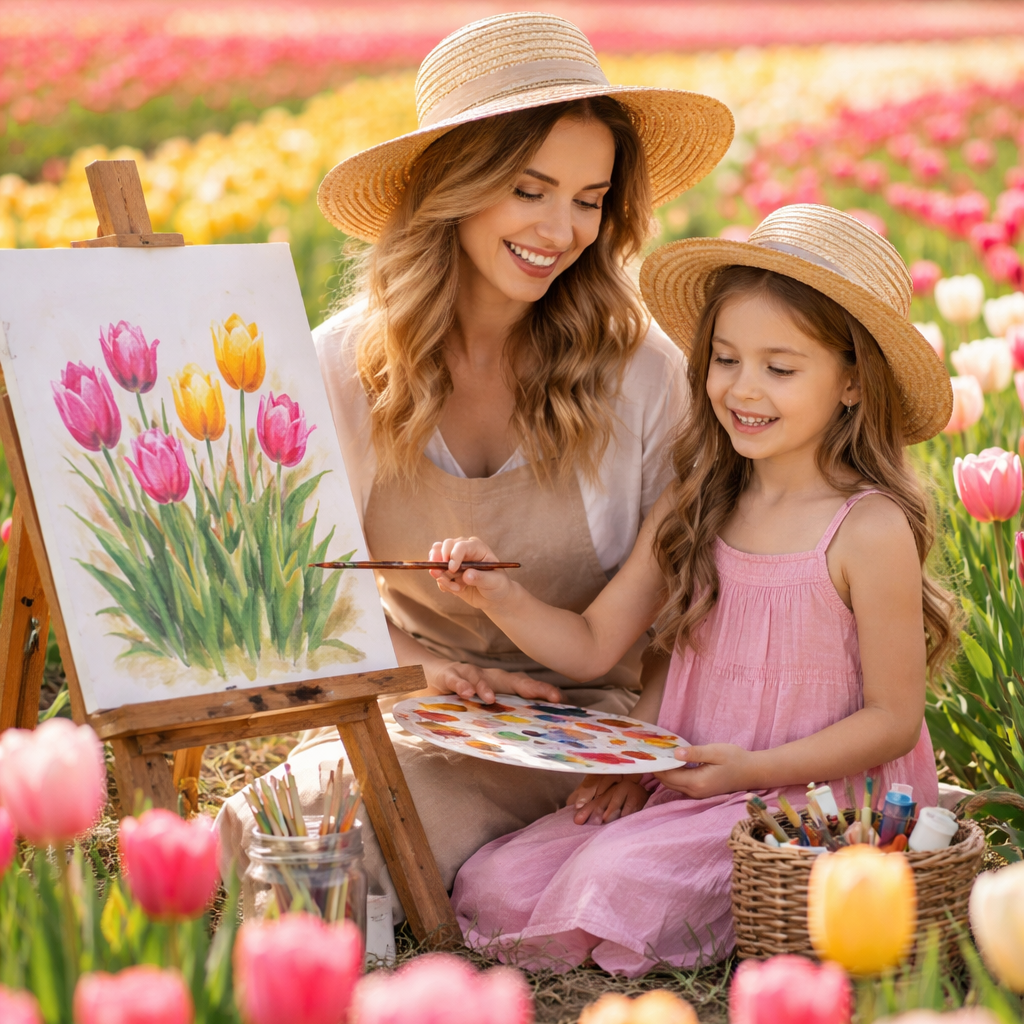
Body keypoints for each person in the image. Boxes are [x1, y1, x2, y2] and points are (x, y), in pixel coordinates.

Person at [215, 11, 734, 921]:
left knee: (347, 857)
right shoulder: (341, 365)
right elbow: (288, 582)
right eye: (529, 189)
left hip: (589, 726)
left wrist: (646, 751)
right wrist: (415, 663)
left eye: (589, 197)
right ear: (456, 188)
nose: (562, 228)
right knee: (274, 830)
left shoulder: (639, 373)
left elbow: (685, 596)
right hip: (421, 706)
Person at [432, 204, 958, 974]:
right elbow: (597, 647)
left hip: (806, 801)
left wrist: (747, 771)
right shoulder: (700, 499)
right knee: (496, 882)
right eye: (725, 358)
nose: (744, 389)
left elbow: (890, 720)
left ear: (852, 382)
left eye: (781, 368)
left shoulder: (866, 529)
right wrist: (498, 601)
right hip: (694, 781)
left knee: (611, 879)